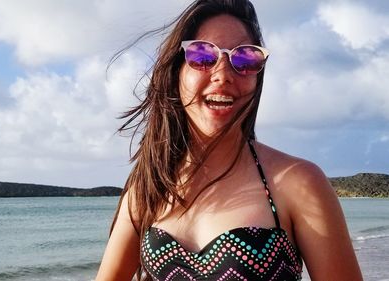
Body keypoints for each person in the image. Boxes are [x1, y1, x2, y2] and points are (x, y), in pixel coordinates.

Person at [96, 0, 363, 280]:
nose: (223, 75)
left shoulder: (296, 182)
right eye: (202, 56)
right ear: (176, 72)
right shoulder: (150, 185)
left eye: (245, 59)